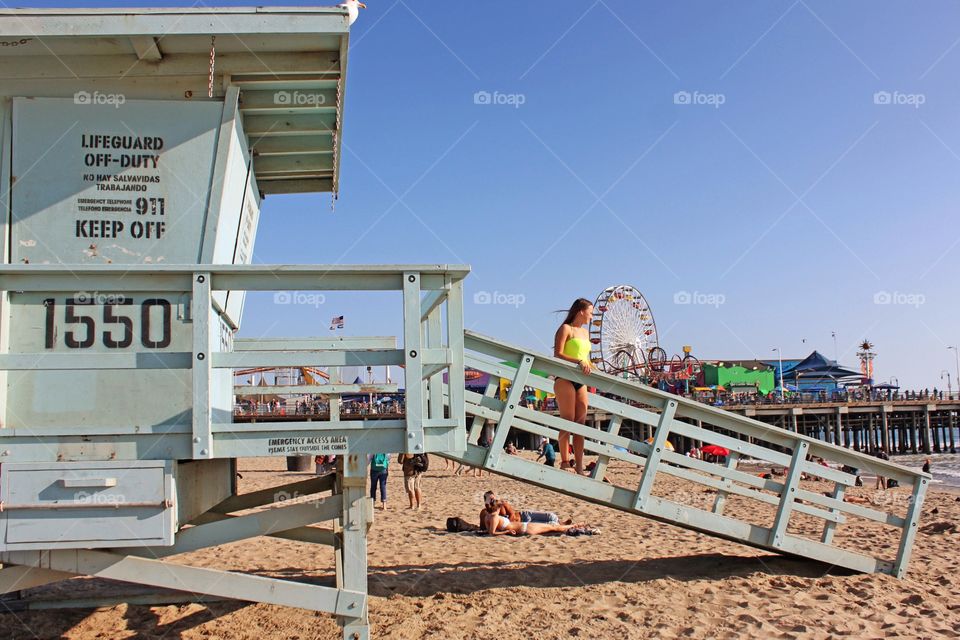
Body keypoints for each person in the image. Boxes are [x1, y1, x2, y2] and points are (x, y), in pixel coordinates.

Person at [553, 298, 594, 474]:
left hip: (581, 381)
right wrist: (577, 361)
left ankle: (578, 464)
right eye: (590, 312)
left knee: (581, 425)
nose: (592, 317)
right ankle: (564, 461)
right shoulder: (565, 329)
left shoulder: (585, 333)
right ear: (581, 312)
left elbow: (586, 358)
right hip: (565, 378)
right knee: (568, 421)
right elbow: (558, 354)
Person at [481, 491, 597, 536]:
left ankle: (574, 525)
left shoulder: (497, 510)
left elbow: (489, 528)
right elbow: (491, 531)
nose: (493, 501)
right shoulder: (491, 515)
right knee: (554, 527)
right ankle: (578, 525)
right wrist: (507, 531)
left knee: (553, 522)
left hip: (523, 520)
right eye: (490, 500)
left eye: (493, 499)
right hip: (524, 527)